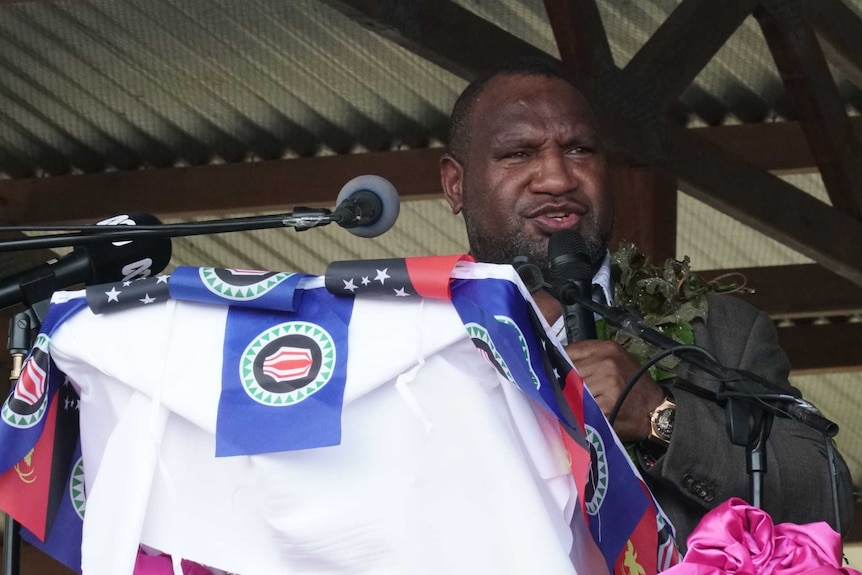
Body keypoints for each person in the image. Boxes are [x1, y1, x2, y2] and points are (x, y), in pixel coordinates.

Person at [438, 55, 854, 549]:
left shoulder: (718, 331)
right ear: (455, 184)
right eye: (519, 154)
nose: (557, 178)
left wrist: (659, 417)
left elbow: (826, 499)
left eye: (579, 150)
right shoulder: (410, 338)